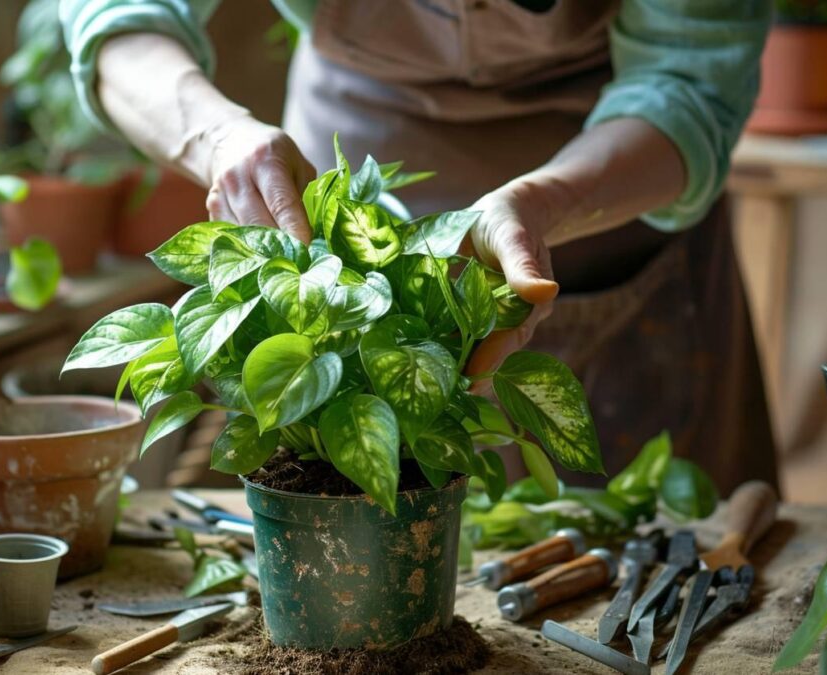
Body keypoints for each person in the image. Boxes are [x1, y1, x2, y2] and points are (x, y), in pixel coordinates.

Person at [60, 0, 779, 493]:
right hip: (357, 140)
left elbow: (689, 78)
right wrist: (216, 138)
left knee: (658, 557)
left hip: (610, 202)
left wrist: (544, 203)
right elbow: (114, 13)